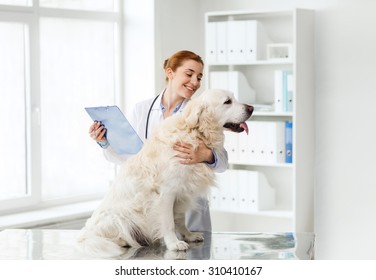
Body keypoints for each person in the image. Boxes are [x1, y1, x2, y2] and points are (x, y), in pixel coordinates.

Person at [88, 50, 228, 232]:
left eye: (199, 77)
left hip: (189, 212)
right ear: (170, 73)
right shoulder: (142, 109)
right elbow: (130, 161)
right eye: (189, 74)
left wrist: (207, 155)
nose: (195, 82)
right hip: (150, 210)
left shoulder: (202, 112)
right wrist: (105, 143)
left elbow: (223, 163)